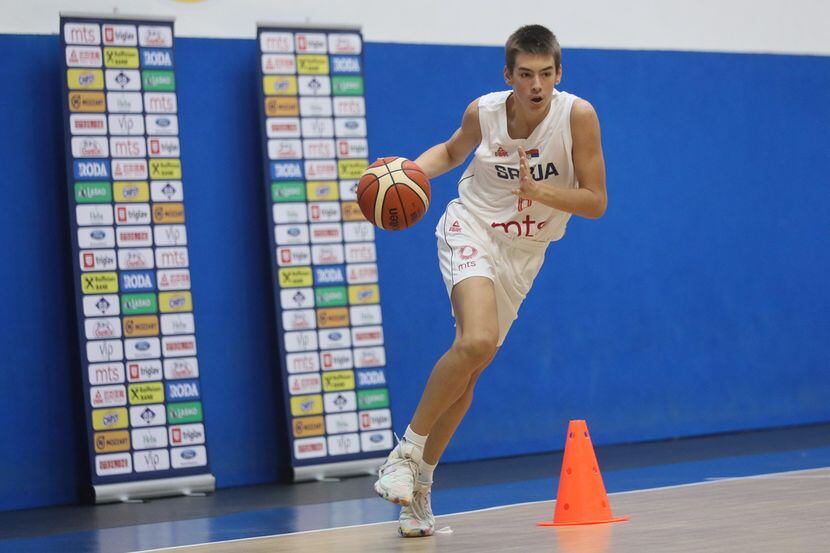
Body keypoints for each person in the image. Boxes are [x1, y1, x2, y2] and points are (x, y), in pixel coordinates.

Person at [373, 24, 608, 537]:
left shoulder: (578, 117)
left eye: (546, 74)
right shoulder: (485, 112)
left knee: (471, 372)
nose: (537, 86)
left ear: (559, 73)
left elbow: (595, 201)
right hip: (472, 227)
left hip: (525, 253)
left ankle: (420, 489)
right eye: (525, 75)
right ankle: (405, 453)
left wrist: (540, 193)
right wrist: (408, 172)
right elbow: (454, 151)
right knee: (475, 340)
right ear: (509, 76)